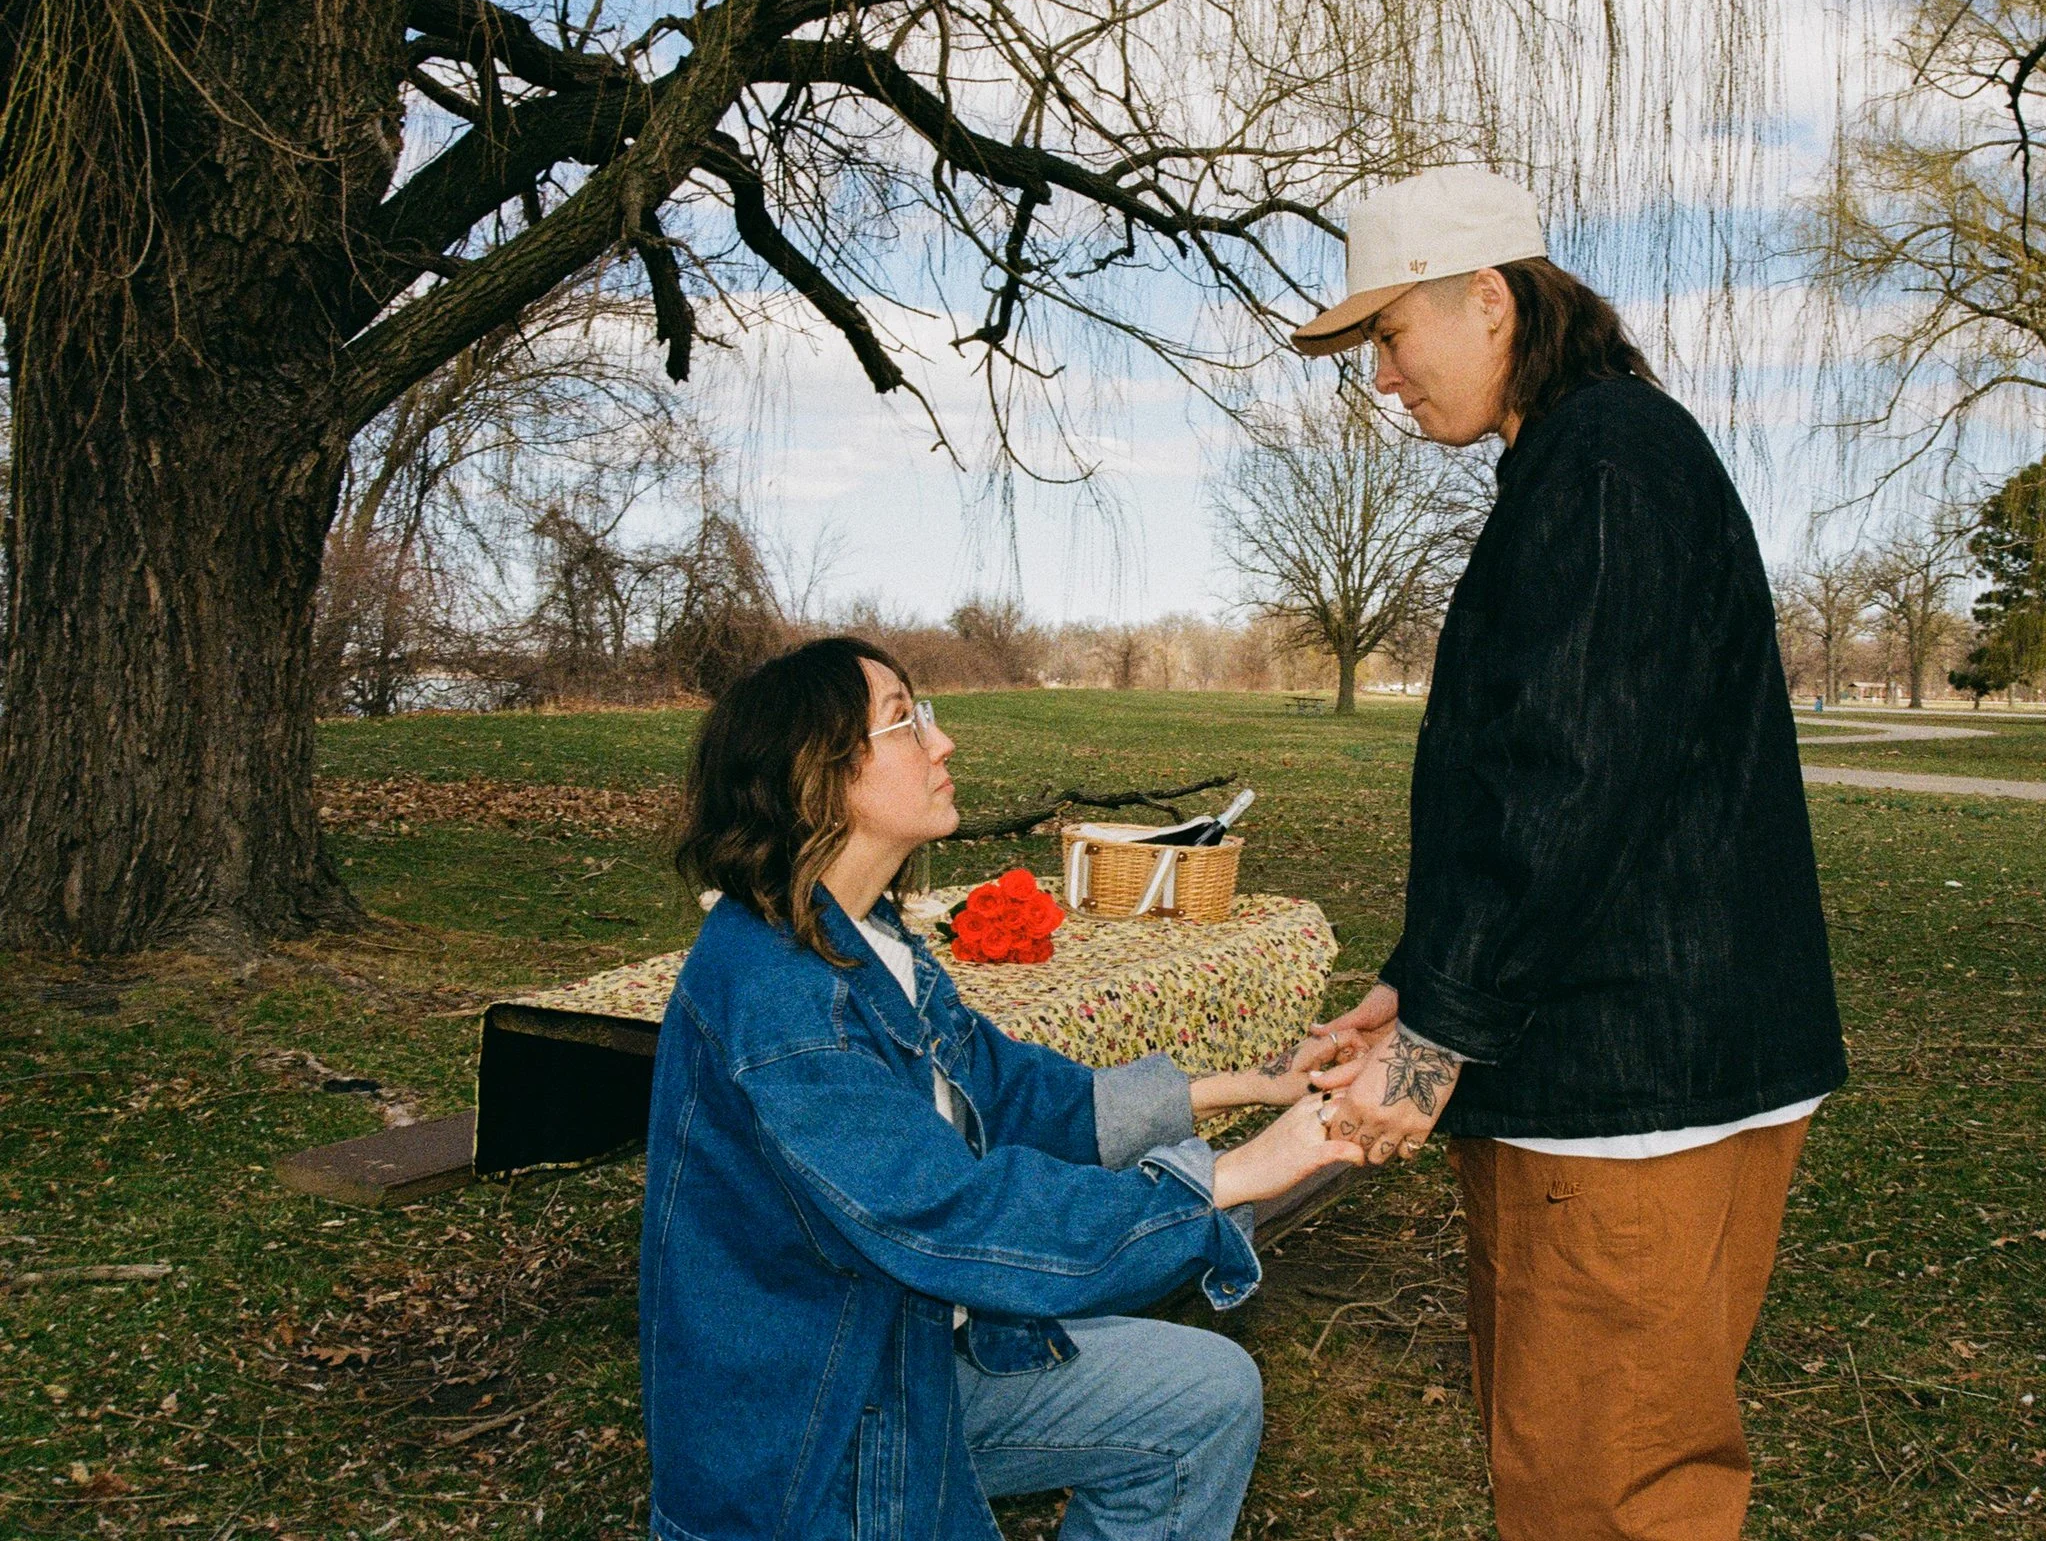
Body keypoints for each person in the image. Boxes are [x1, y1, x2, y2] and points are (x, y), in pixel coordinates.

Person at [1289, 168, 1848, 1540]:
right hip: (1635, 1065)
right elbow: (1556, 784)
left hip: (1630, 1089)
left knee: (1600, 1497)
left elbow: (1563, 792)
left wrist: (1433, 1045)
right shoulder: (1597, 458)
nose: (1381, 378)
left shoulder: (1602, 469)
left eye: (1388, 335)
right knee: (1607, 1470)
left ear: (1489, 298)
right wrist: (1419, 987)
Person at [641, 636, 1360, 1541]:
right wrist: (1234, 1174)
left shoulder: (868, 937)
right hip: (817, 1439)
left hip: (913, 1354)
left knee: (1203, 1396)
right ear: (811, 778)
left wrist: (1254, 1083)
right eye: (902, 721)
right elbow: (956, 1217)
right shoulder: (778, 1000)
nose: (941, 743)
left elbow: (1014, 1091)